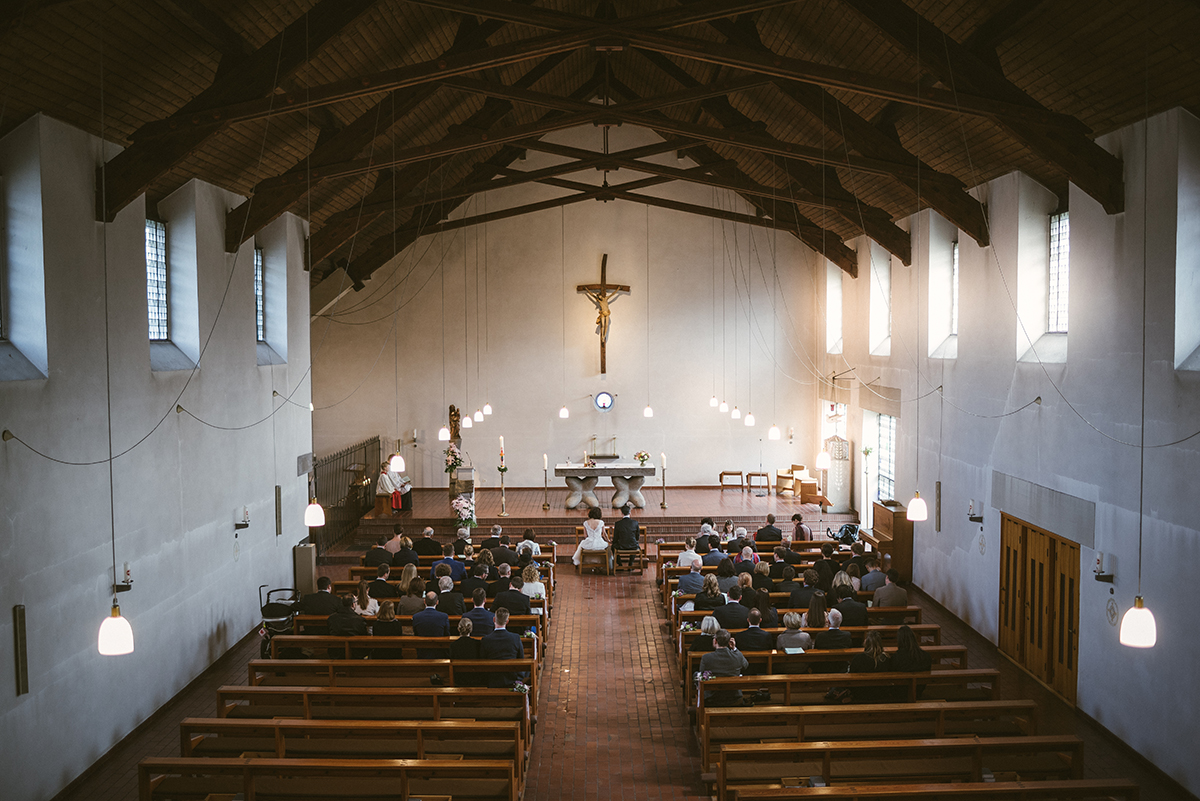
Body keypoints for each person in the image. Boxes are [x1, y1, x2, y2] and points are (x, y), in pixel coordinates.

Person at [698, 629, 750, 707]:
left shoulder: (706, 658)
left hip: (713, 697)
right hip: (734, 697)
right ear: (729, 642)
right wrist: (734, 649)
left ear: (715, 641)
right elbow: (745, 665)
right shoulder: (737, 656)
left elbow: (702, 675)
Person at [480, 607, 526, 687]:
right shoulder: (515, 638)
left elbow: (482, 659)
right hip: (512, 678)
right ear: (507, 621)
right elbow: (521, 659)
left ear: (494, 619)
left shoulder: (486, 640)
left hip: (492, 678)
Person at [847, 630, 893, 701]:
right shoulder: (886, 658)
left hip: (861, 693)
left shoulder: (858, 658)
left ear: (866, 642)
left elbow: (851, 675)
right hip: (881, 693)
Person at [412, 591, 450, 658]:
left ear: (424, 601)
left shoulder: (416, 617)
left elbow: (416, 634)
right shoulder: (443, 616)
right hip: (439, 651)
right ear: (437, 602)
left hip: (422, 651)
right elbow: (446, 634)